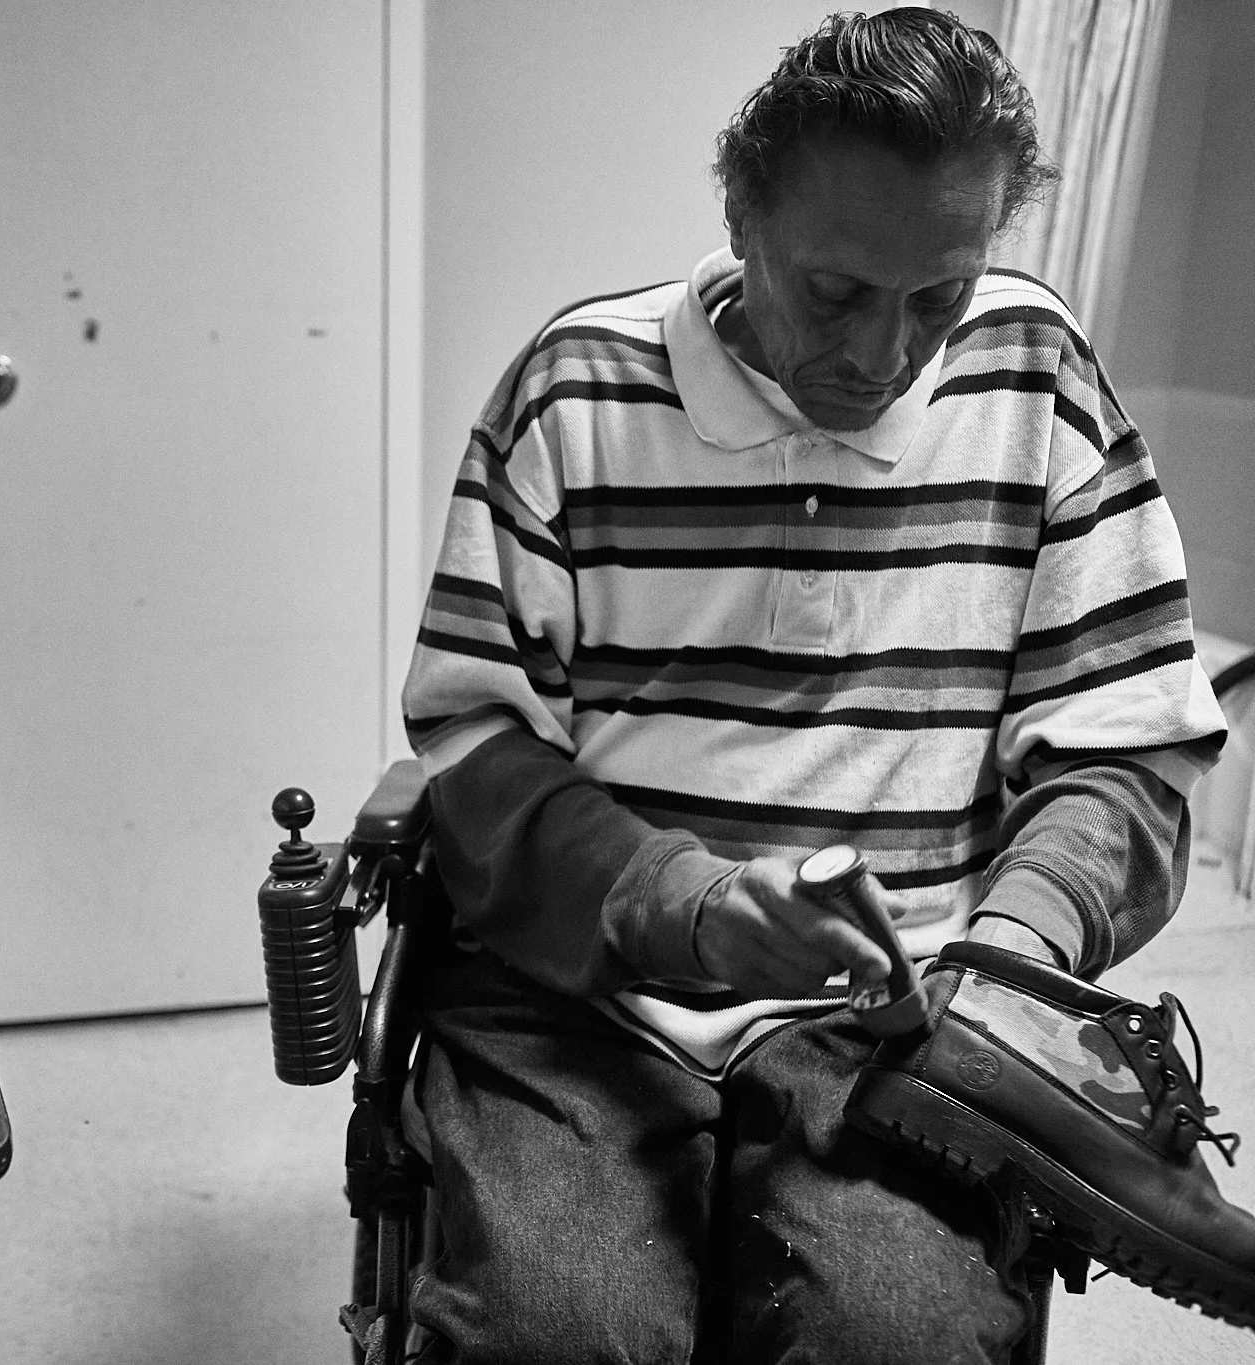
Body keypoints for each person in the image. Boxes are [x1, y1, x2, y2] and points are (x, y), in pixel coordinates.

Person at [399, 10, 1245, 1362]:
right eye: (837, 293)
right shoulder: (576, 394)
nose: (885, 351)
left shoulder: (1038, 380)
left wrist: (1015, 946)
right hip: (586, 993)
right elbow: (477, 751)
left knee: (898, 1336)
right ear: (741, 216)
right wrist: (693, 904)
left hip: (907, 1020)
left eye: (938, 297)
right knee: (561, 1332)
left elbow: (1130, 751)